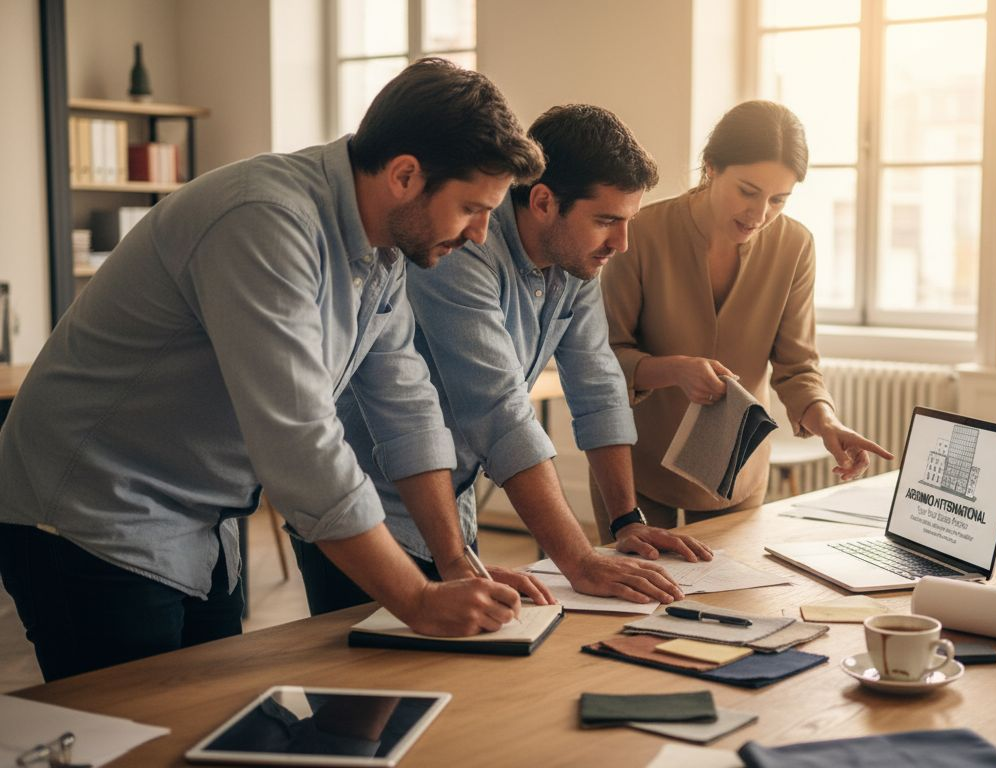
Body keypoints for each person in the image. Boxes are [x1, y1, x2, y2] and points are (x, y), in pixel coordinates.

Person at [0, 59, 546, 682]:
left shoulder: (384, 248)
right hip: (92, 514)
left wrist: (451, 560)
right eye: (473, 209)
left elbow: (408, 408)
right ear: (404, 175)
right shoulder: (263, 219)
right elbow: (299, 441)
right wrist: (416, 600)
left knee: (207, 720)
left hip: (200, 520)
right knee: (137, 732)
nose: (480, 235)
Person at [293, 105, 713, 616]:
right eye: (606, 221)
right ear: (542, 201)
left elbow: (598, 381)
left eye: (628, 222)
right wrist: (578, 561)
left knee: (456, 677)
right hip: (367, 505)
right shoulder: (463, 249)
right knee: (366, 683)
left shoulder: (576, 260)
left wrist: (626, 520)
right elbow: (498, 410)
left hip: (451, 498)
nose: (620, 245)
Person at [593, 100, 893, 539]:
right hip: (635, 463)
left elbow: (797, 367)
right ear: (711, 167)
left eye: (778, 200)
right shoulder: (639, 233)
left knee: (731, 601)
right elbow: (603, 360)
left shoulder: (795, 246)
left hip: (737, 468)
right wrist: (674, 370)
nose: (760, 214)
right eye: (748, 191)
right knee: (633, 602)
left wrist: (827, 421)